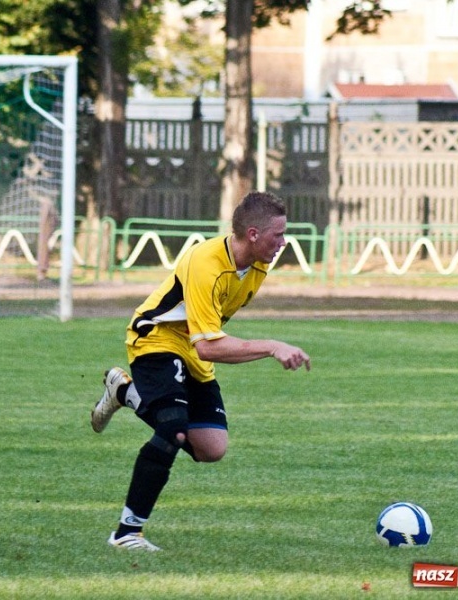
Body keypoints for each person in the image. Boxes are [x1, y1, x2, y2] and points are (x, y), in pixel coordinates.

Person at [91, 191, 312, 551]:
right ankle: (127, 533)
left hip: (194, 350)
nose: (283, 243)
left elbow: (207, 343)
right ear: (253, 234)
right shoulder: (206, 262)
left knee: (211, 448)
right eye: (278, 235)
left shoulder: (259, 264)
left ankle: (125, 393)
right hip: (156, 338)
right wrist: (272, 346)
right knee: (174, 428)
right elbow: (209, 345)